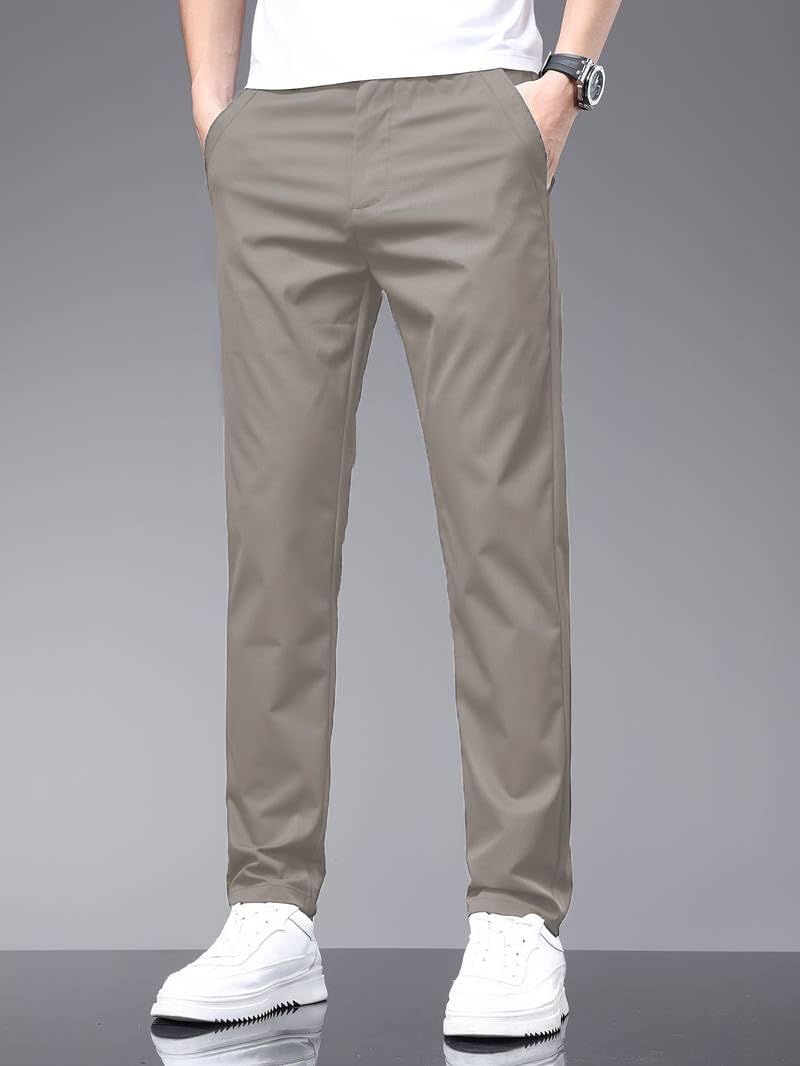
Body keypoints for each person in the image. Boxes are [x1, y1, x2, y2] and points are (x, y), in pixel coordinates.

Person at [152, 0, 621, 1038]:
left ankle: (515, 911)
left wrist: (565, 79)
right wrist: (213, 105)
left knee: (502, 528)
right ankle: (268, 905)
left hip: (470, 113)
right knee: (272, 537)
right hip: (278, 126)